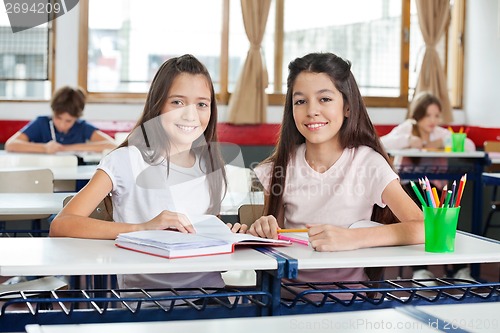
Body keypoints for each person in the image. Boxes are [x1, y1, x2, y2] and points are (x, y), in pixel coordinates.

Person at [50, 55, 233, 295]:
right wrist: (143, 228)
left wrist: (228, 235)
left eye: (202, 104)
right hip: (144, 303)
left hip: (210, 296)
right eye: (178, 102)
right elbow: (62, 225)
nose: (191, 115)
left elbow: (201, 237)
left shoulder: (210, 165)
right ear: (158, 105)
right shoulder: (125, 160)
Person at [245, 52, 424, 291]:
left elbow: (423, 227)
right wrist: (263, 228)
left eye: (325, 99)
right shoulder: (278, 167)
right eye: (300, 101)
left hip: (351, 299)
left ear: (347, 107)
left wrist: (353, 238)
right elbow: (272, 237)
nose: (312, 111)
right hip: (287, 300)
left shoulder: (367, 163)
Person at [381, 91, 476, 283]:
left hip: (437, 191)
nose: (433, 120)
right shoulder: (407, 128)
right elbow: (382, 142)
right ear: (417, 115)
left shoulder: (441, 133)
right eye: (428, 115)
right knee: (420, 219)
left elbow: (470, 146)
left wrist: (445, 142)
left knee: (447, 220)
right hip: (409, 189)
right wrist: (409, 141)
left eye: (436, 115)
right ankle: (420, 269)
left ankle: (460, 269)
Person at [5, 86, 116, 154]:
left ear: (76, 118)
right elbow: (10, 145)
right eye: (58, 118)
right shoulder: (41, 123)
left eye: (68, 121)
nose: (62, 124)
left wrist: (66, 148)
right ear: (53, 112)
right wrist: (44, 148)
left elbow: (112, 145)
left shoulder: (82, 126)